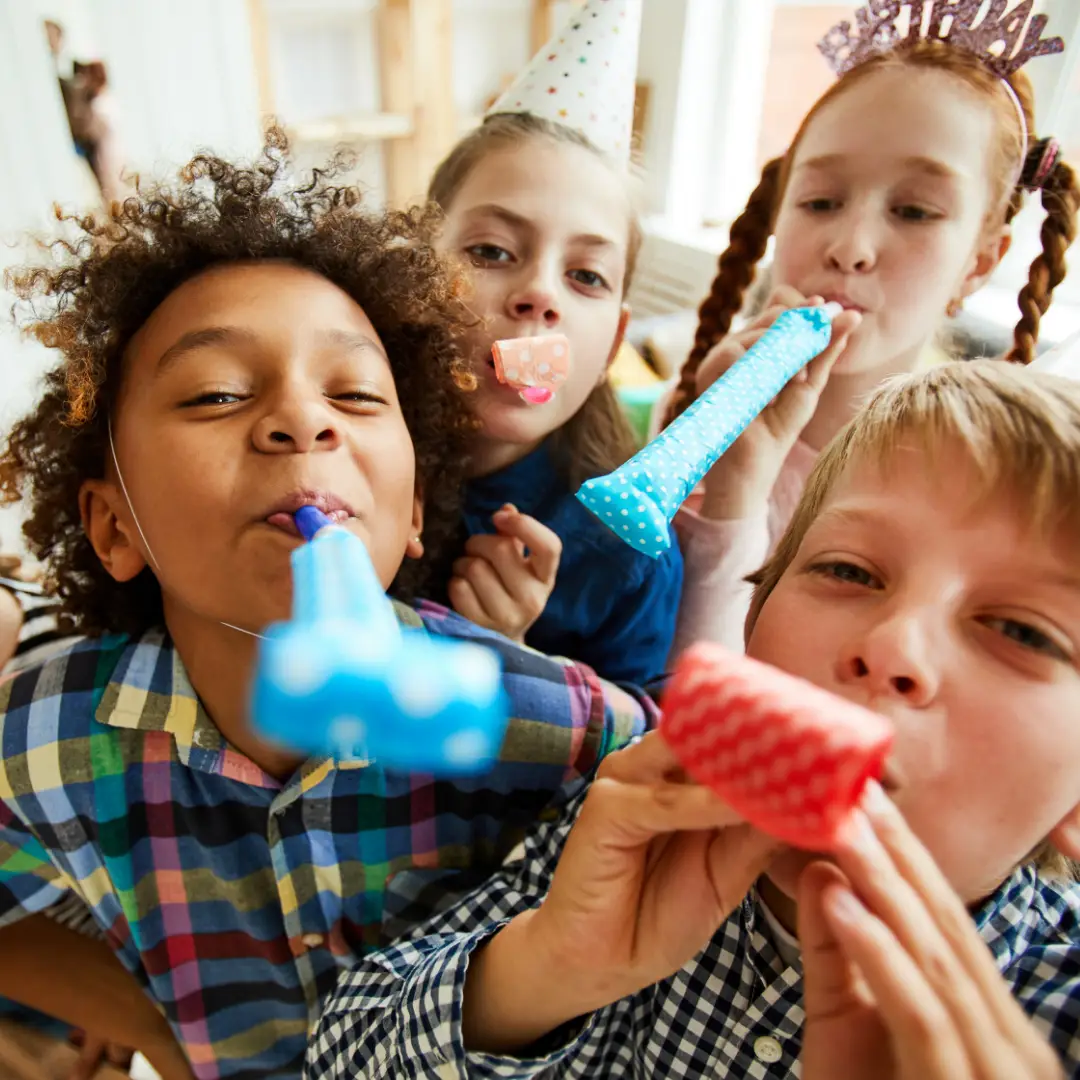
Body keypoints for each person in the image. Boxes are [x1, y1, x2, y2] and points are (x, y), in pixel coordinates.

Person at [0, 129, 653, 1079]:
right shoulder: (42, 743)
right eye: (217, 393)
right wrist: (159, 1035)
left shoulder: (561, 732)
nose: (304, 419)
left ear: (417, 508)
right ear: (112, 527)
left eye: (353, 395)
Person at [308, 358, 1080, 1079]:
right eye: (849, 571)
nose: (891, 648)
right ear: (753, 629)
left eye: (1021, 631)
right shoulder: (637, 816)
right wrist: (544, 968)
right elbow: (340, 1052)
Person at [665, 1, 1079, 658]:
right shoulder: (694, 422)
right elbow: (665, 685)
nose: (851, 247)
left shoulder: (968, 487)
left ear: (980, 263)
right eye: (821, 202)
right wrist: (738, 484)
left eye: (914, 211)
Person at [426, 0, 684, 686]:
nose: (540, 294)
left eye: (585, 276)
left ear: (614, 344)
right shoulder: (334, 450)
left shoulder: (627, 548)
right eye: (491, 250)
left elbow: (631, 760)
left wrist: (519, 662)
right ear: (409, 271)